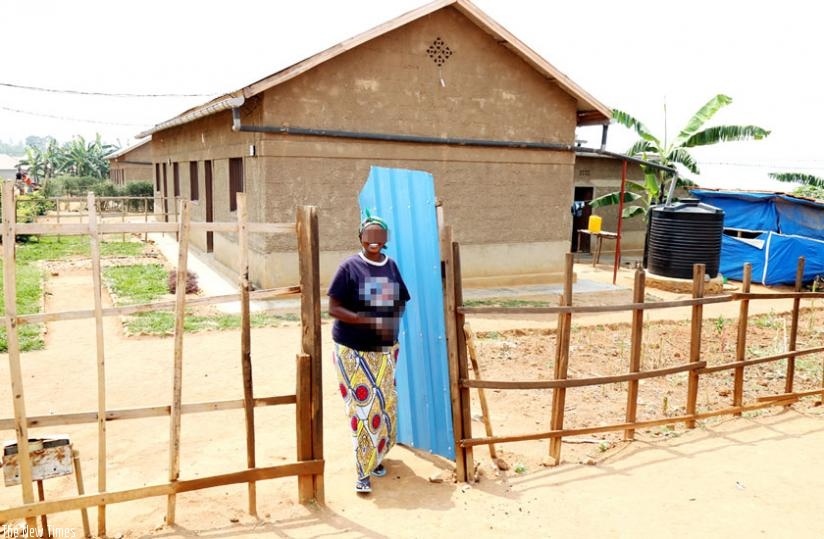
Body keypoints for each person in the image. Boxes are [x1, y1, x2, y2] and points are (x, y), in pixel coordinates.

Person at [327, 213, 410, 494]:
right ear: (361, 237)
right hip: (353, 350)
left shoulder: (392, 267)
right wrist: (365, 320)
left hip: (385, 350)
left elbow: (401, 300)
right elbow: (334, 308)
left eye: (379, 236)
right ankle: (362, 472)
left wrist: (389, 322)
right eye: (368, 235)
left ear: (385, 240)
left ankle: (376, 456)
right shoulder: (349, 267)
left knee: (385, 405)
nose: (373, 242)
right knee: (363, 408)